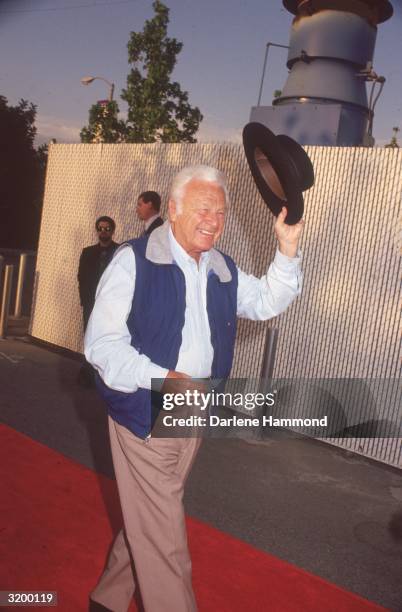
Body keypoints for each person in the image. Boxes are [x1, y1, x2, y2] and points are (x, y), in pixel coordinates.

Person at [85, 166, 304, 612]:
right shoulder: (134, 259)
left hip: (194, 410)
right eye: (203, 208)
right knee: (165, 536)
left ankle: (107, 598)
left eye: (220, 211)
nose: (213, 220)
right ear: (173, 209)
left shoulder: (221, 266)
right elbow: (102, 346)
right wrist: (165, 378)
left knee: (151, 514)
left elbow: (264, 301)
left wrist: (287, 248)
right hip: (145, 410)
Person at [77, 216, 118, 387]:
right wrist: (85, 301)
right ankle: (88, 373)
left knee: (107, 338)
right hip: (91, 305)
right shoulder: (87, 252)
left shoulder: (119, 251)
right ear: (96, 230)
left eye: (107, 229)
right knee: (89, 337)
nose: (103, 232)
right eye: (100, 229)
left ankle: (104, 376)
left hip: (110, 306)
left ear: (112, 231)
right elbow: (82, 278)